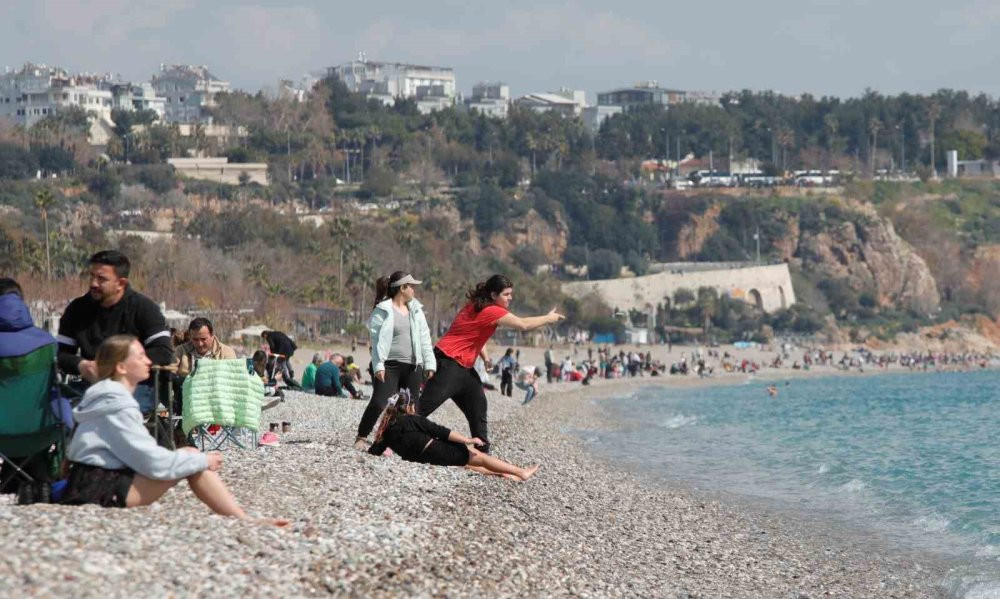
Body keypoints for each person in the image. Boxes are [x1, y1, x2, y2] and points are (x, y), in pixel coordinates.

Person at [62, 335, 288, 526]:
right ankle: (245, 521)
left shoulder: (101, 396)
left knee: (190, 454)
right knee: (194, 462)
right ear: (121, 367)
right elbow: (153, 462)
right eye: (140, 356)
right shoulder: (116, 404)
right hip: (100, 492)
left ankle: (241, 518)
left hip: (86, 483)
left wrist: (193, 457)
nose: (148, 361)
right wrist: (203, 461)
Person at [418, 274, 563, 453]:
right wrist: (548, 318)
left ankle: (482, 449)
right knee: (421, 409)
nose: (510, 297)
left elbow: (475, 335)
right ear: (494, 295)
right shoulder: (492, 311)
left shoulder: (475, 306)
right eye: (506, 294)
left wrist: (485, 357)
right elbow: (523, 324)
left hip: (461, 366)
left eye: (511, 294)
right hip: (448, 363)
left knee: (478, 403)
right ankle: (388, 436)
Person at [57, 250, 173, 413]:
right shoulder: (77, 309)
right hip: (89, 385)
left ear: (121, 283)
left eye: (101, 279)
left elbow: (163, 351)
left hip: (136, 386)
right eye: (91, 276)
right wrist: (82, 365)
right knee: (56, 406)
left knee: (111, 408)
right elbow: (60, 354)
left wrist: (118, 366)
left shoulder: (145, 309)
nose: (93, 283)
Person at [369, 391, 539, 481]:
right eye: (412, 405)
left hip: (419, 458)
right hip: (432, 452)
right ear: (407, 407)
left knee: (464, 462)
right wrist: (468, 440)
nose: (414, 408)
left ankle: (503, 474)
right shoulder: (411, 420)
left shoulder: (386, 429)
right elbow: (441, 431)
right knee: (476, 455)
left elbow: (375, 450)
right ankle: (521, 472)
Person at [354, 272, 435, 451]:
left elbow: (425, 339)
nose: (414, 289)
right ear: (402, 288)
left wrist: (429, 363)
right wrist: (378, 365)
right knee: (379, 402)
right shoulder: (382, 310)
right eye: (411, 286)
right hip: (389, 365)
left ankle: (395, 442)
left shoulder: (416, 310)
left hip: (413, 366)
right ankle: (361, 436)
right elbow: (375, 343)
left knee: (410, 408)